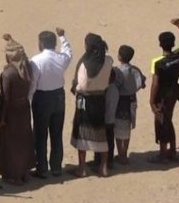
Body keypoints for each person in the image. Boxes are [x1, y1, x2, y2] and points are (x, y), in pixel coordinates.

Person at [29, 28, 72, 178]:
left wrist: (29, 99)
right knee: (56, 133)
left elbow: (33, 83)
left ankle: (42, 168)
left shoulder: (36, 60)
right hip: (59, 96)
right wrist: (62, 37)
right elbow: (68, 52)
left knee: (40, 134)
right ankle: (56, 167)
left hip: (42, 98)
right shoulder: (61, 58)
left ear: (41, 43)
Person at [70, 34, 113, 177]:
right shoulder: (108, 61)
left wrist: (75, 87)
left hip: (86, 102)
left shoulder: (85, 64)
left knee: (83, 134)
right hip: (100, 100)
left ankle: (82, 169)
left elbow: (82, 86)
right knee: (101, 133)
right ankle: (103, 167)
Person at [149, 19, 179, 163]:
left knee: (161, 122)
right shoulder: (177, 55)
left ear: (160, 44)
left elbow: (155, 84)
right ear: (173, 44)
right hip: (174, 91)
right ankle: (172, 151)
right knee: (168, 119)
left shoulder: (157, 62)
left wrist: (151, 101)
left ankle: (163, 154)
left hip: (162, 95)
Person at [0, 34, 36, 185]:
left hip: (12, 111)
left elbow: (6, 98)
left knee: (12, 144)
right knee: (24, 140)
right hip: (24, 108)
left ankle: (15, 176)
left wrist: (2, 117)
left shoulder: (8, 74)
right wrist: (10, 39)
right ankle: (25, 172)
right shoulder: (27, 69)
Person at [113, 45, 146, 164]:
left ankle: (121, 155)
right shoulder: (135, 69)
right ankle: (124, 153)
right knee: (127, 129)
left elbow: (115, 85)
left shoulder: (118, 71)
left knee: (118, 130)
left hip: (120, 101)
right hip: (132, 100)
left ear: (119, 57)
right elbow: (142, 83)